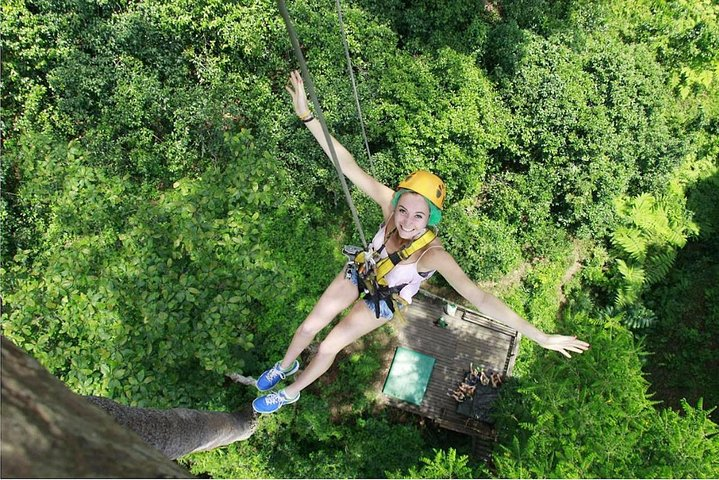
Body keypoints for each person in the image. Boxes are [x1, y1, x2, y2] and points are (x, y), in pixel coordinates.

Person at [252, 70, 590, 414]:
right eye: (403, 211)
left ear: (431, 220)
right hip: (363, 271)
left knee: (329, 347)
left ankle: (290, 391)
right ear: (396, 204)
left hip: (385, 299)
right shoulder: (389, 208)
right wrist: (307, 116)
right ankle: (285, 365)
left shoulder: (432, 255)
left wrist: (540, 336)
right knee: (309, 325)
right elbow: (349, 166)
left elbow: (480, 297)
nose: (407, 222)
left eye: (418, 217)